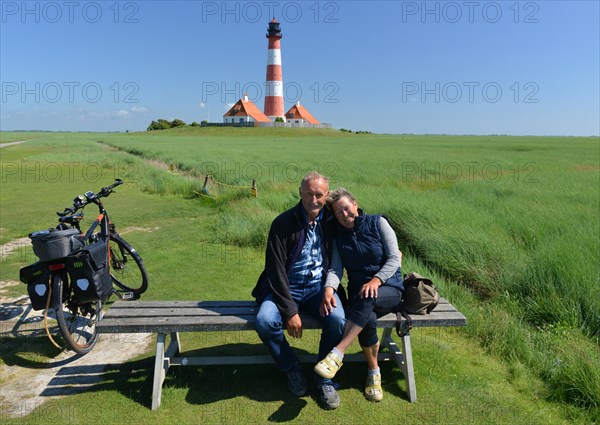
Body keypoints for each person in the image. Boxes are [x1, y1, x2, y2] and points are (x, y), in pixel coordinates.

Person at [252, 171, 346, 410]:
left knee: (337, 319)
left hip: (319, 290)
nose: (313, 200)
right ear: (300, 194)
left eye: (319, 195)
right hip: (286, 289)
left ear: (327, 195)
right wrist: (290, 310)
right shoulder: (283, 223)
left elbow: (359, 223)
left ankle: (324, 377)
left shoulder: (331, 221)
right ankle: (291, 367)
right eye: (308, 194)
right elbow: (274, 270)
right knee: (264, 320)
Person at [314, 187, 403, 402]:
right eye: (338, 212)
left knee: (368, 297)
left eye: (346, 208)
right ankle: (374, 373)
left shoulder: (378, 223)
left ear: (355, 204)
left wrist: (376, 280)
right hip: (361, 295)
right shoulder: (338, 236)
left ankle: (337, 353)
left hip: (389, 288)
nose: (345, 215)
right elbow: (336, 269)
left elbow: (394, 258)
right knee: (368, 317)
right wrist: (328, 289)